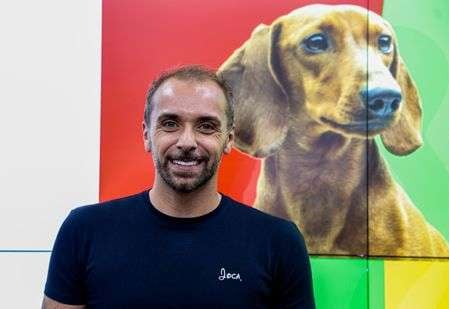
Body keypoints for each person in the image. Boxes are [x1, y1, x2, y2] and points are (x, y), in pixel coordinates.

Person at [42, 65, 316, 308]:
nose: (187, 142)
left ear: (228, 139)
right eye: (170, 124)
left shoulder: (278, 242)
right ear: (147, 135)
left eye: (206, 126)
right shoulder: (84, 231)